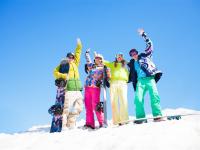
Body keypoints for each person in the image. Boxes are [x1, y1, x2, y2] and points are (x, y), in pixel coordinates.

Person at [128, 28, 163, 123]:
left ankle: (157, 115)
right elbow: (124, 71)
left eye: (135, 53)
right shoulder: (131, 64)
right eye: (131, 54)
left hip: (150, 79)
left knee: (154, 96)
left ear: (137, 53)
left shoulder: (145, 56)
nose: (134, 55)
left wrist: (143, 34)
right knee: (138, 99)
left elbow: (150, 45)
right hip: (140, 82)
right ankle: (141, 118)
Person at [53, 38, 83, 130]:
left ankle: (71, 124)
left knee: (78, 107)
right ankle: (63, 125)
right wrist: (63, 75)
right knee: (66, 108)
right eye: (69, 57)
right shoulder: (63, 64)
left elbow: (78, 53)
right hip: (68, 89)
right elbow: (54, 72)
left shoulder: (75, 64)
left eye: (72, 57)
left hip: (77, 89)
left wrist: (79, 45)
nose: (70, 58)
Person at [84, 49, 110, 129]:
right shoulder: (92, 66)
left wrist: (106, 79)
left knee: (96, 105)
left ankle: (101, 122)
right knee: (88, 105)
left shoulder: (104, 68)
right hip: (87, 87)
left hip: (95, 88)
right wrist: (87, 53)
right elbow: (88, 60)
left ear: (102, 60)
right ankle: (90, 123)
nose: (98, 59)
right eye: (96, 58)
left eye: (99, 58)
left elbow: (108, 76)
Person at [104, 53, 129, 125]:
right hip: (113, 83)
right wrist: (99, 57)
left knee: (123, 100)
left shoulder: (126, 64)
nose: (119, 57)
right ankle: (116, 121)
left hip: (123, 82)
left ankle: (124, 119)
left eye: (121, 56)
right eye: (118, 56)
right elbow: (104, 62)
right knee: (113, 101)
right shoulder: (112, 64)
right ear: (116, 57)